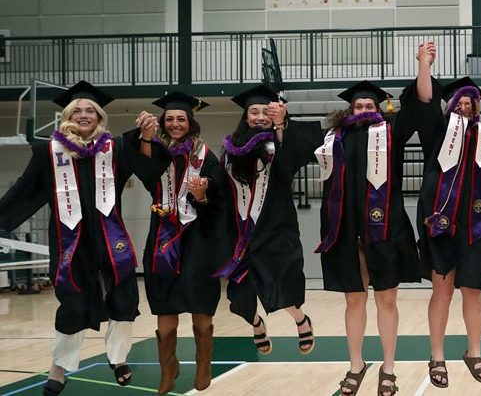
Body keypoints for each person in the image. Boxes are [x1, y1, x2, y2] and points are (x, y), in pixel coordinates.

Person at [0, 81, 163, 396]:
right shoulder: (49, 152)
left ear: (100, 117)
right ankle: (58, 370)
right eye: (78, 111)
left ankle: (118, 359)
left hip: (110, 241)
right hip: (70, 244)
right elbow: (24, 190)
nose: (84, 115)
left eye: (90, 110)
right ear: (68, 117)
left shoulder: (115, 149)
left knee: (124, 299)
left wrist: (146, 137)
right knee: (73, 305)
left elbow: (149, 167)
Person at [400, 41, 481, 389]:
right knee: (442, 292)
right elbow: (423, 98)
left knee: (473, 292)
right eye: (459, 103)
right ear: (450, 107)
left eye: (470, 103)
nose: (464, 107)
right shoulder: (437, 132)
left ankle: (474, 351)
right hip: (440, 225)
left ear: (476, 108)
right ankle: (437, 355)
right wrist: (424, 64)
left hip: (476, 228)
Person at [316, 80, 421, 396]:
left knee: (387, 299)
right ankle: (356, 364)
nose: (363, 110)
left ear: (379, 110)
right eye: (358, 106)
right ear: (350, 110)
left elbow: (416, 109)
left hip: (385, 227)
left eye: (369, 106)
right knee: (354, 299)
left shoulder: (392, 135)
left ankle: (388, 367)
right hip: (346, 228)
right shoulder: (334, 139)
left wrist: (422, 68)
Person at [132, 92, 229, 394]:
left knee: (200, 303)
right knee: (165, 302)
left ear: (191, 122)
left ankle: (203, 363)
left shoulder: (205, 155)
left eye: (181, 119)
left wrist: (201, 197)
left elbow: (220, 201)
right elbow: (145, 176)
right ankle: (168, 367)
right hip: (162, 233)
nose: (175, 123)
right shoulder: (154, 150)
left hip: (198, 238)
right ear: (163, 121)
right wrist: (145, 140)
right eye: (170, 119)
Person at [219, 84, 322, 361]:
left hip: (277, 226)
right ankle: (256, 324)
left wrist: (281, 125)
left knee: (282, 284)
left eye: (266, 111)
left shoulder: (277, 144)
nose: (260, 116)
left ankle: (301, 319)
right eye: (254, 112)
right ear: (246, 117)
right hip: (241, 231)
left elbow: (292, 160)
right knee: (240, 293)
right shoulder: (231, 148)